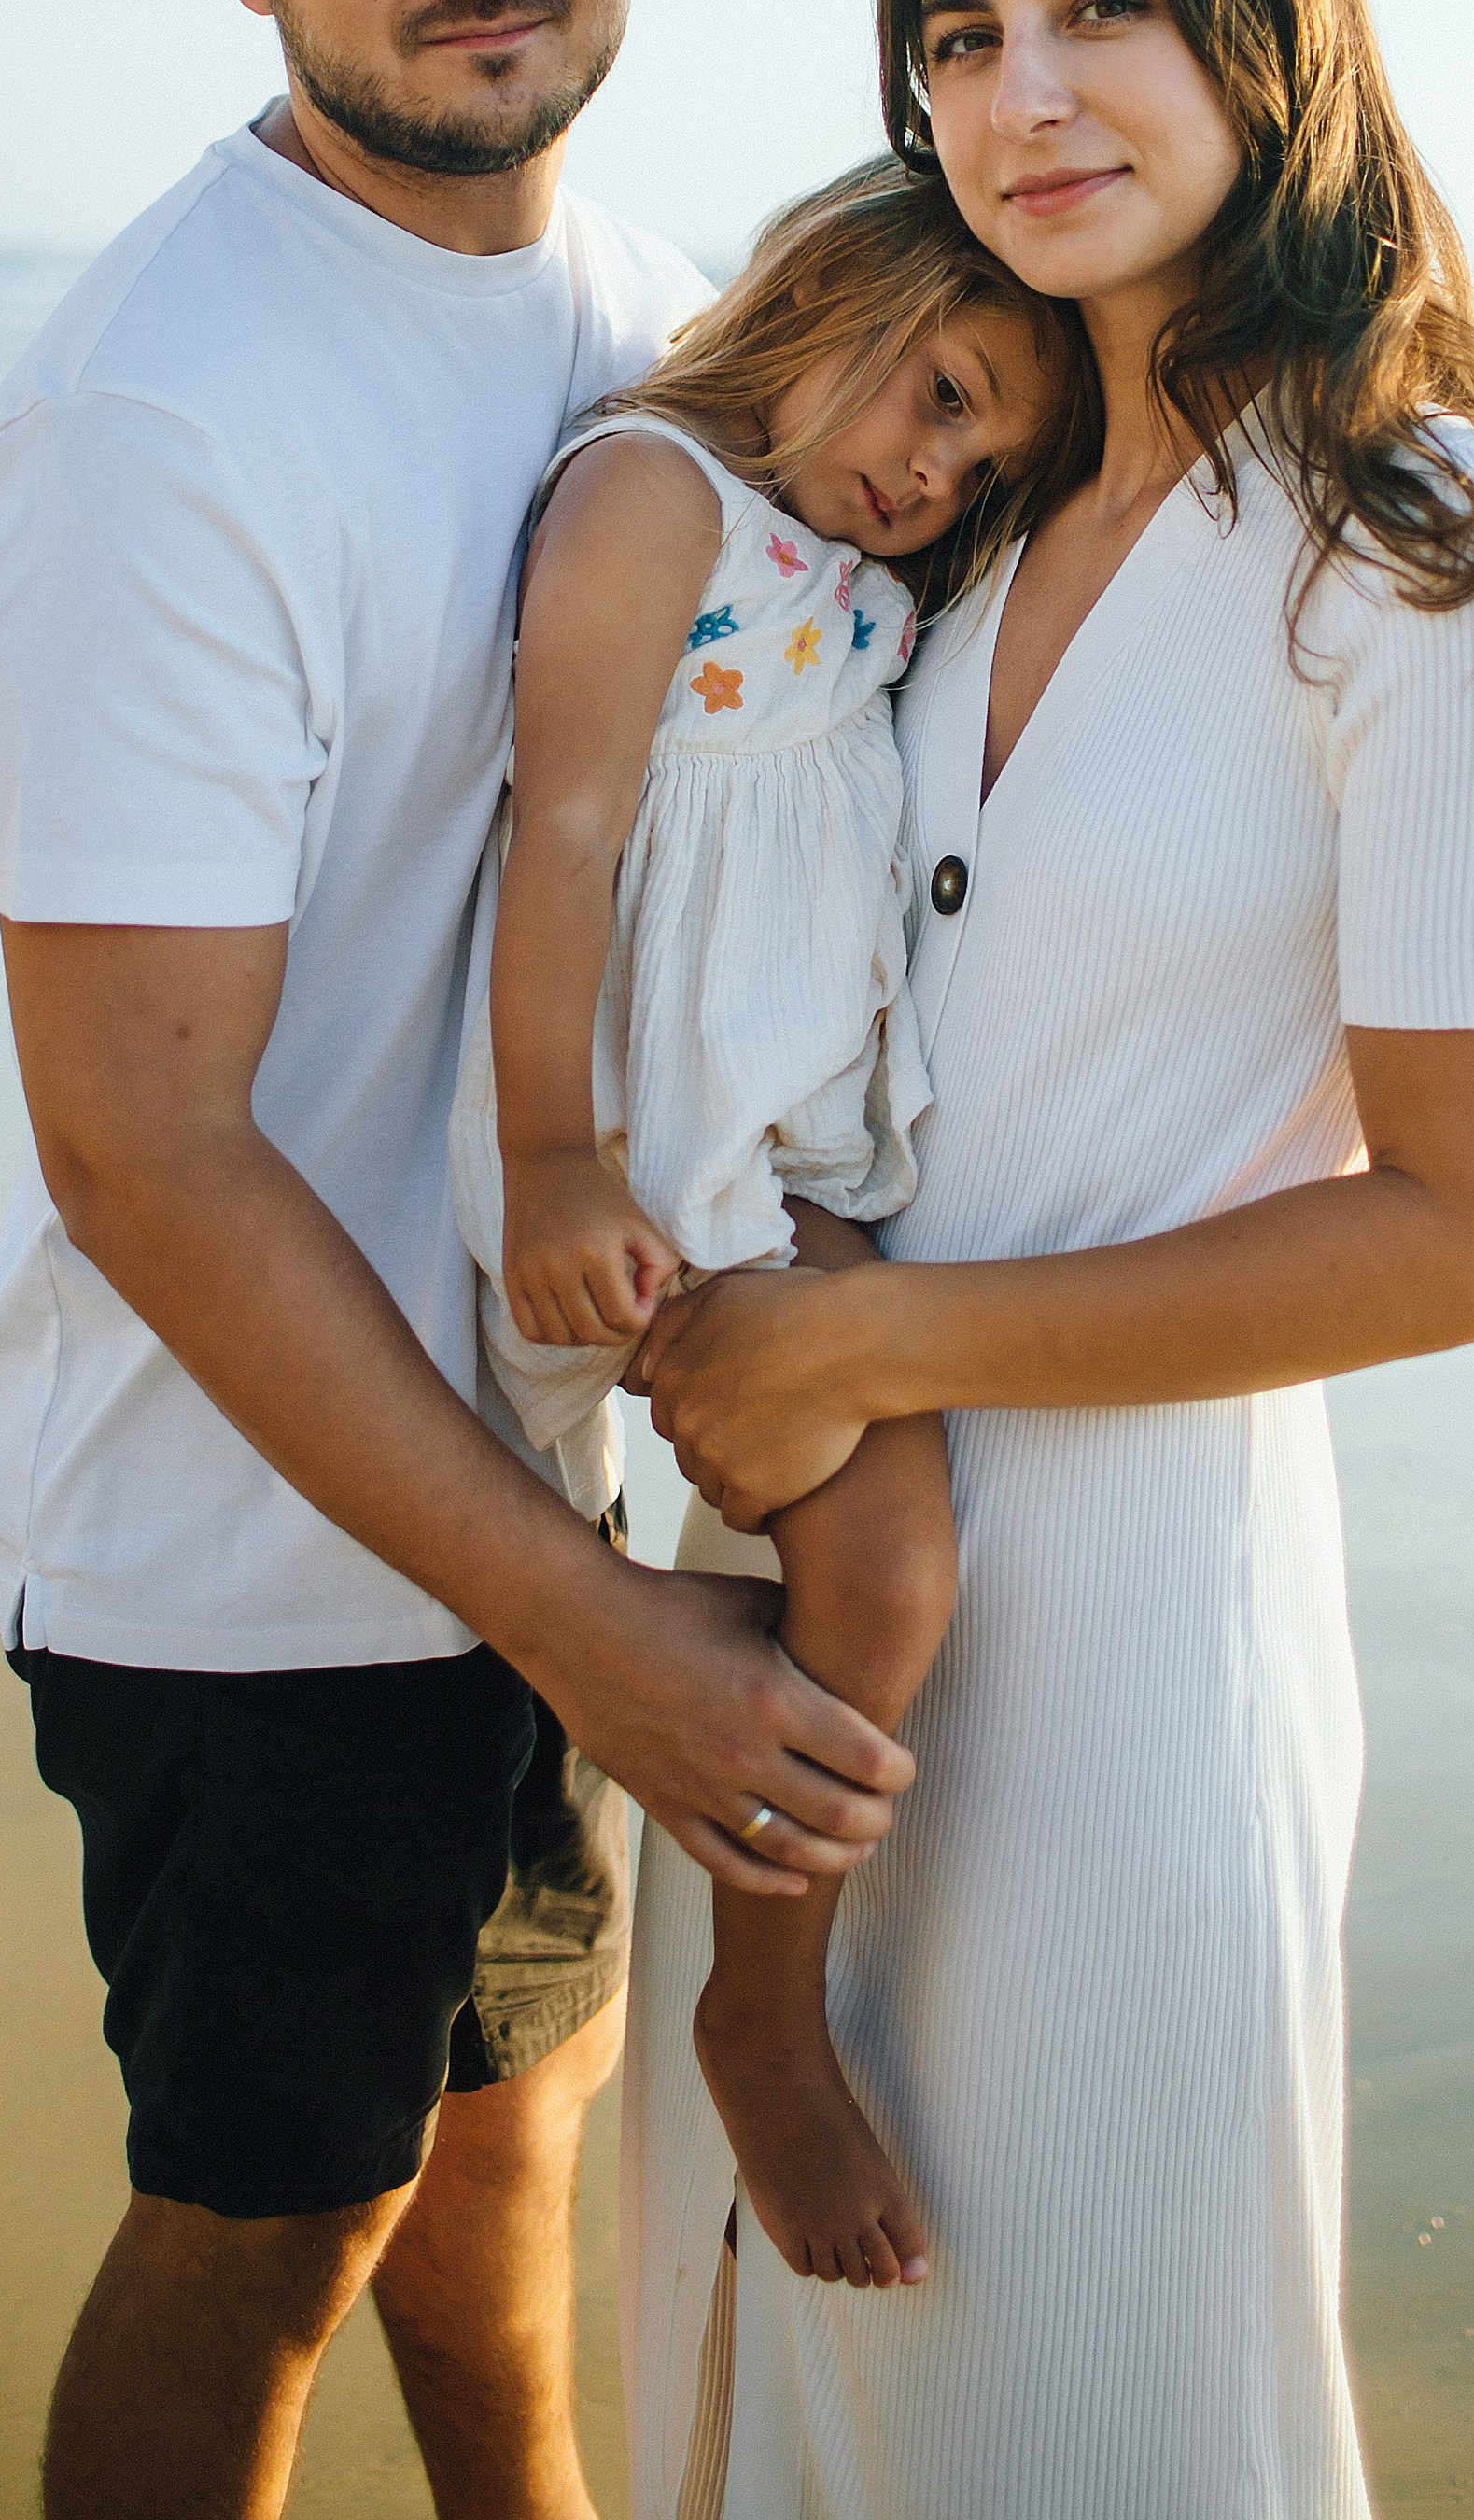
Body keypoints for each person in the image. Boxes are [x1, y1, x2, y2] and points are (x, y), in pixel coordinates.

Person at [0, 0, 914, 2520]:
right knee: (268, 2230)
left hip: (521, 1499)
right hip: (252, 1565)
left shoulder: (650, 323)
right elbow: (139, 1147)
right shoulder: (166, 417)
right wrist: (586, 1613)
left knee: (510, 2182)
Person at [622, 0, 1474, 2517]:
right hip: (790, 1597)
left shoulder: (1431, 535)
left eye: (1100, 6)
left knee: (1077, 2418)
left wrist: (861, 1330)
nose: (1020, 96)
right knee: (742, 2409)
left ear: (1260, 30)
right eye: (950, 39)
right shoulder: (968, 497)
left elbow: (1462, 1238)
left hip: (1118, 1673)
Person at [451, 158, 1088, 2295]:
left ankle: (715, 1924)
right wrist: (558, 1156)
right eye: (930, 388)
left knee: (857, 1561)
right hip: (662, 1160)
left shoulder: (850, 557)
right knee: (890, 1558)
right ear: (813, 290)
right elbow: (561, 832)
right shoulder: (657, 496)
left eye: (982, 443)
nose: (933, 463)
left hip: (787, 1157)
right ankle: (762, 1998)